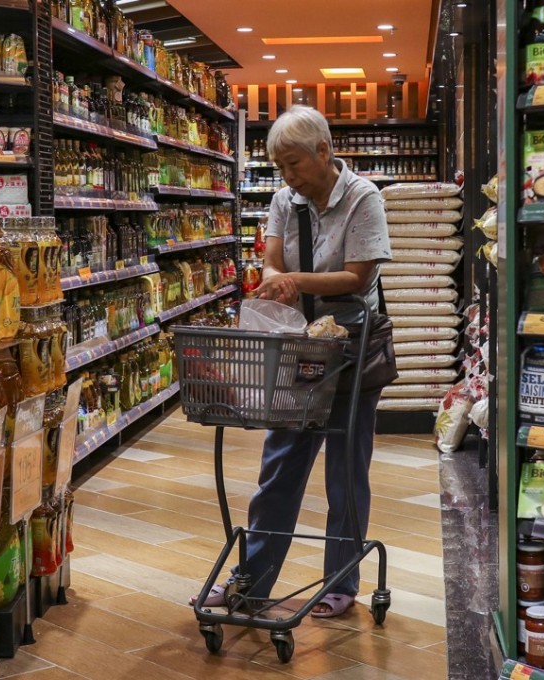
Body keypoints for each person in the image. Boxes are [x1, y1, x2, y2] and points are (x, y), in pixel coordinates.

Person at [190, 105, 391, 618]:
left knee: (346, 472)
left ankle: (341, 582)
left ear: (324, 151)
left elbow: (358, 278)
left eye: (293, 164)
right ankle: (252, 581)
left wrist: (295, 282)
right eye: (279, 167)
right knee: (279, 464)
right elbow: (272, 258)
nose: (286, 176)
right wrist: (276, 278)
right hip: (298, 348)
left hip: (350, 347)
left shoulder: (363, 199)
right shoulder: (284, 199)